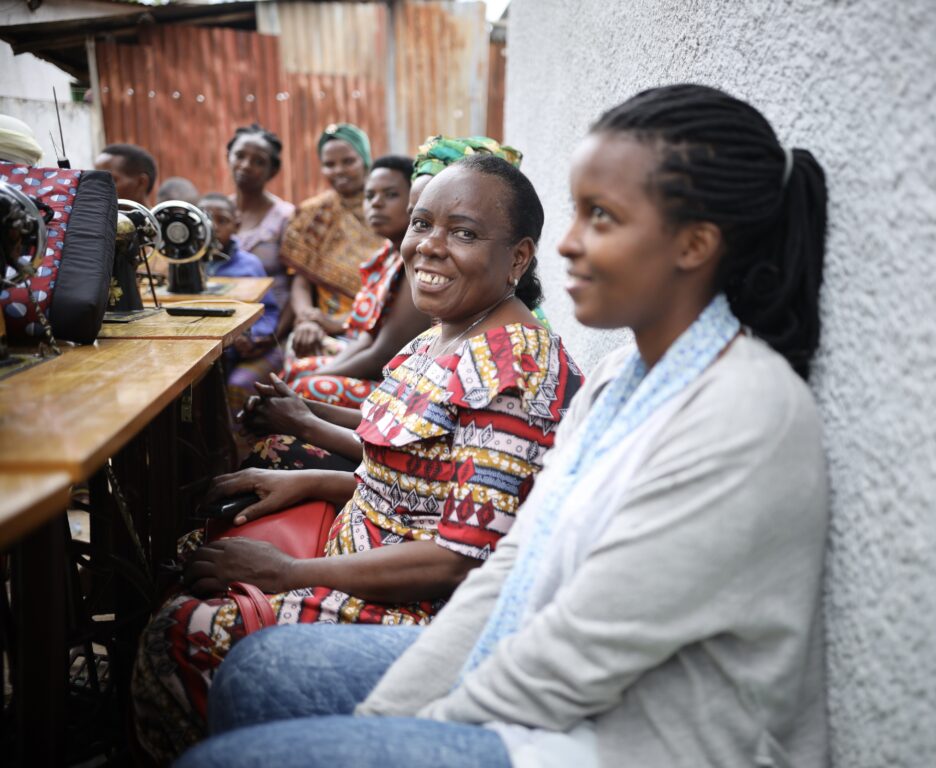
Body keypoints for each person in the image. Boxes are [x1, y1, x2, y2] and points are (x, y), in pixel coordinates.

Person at [178, 83, 831, 768]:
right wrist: (389, 718)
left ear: (695, 243)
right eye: (576, 214)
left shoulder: (744, 413)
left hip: (624, 740)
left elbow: (576, 655)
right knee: (257, 675)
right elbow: (511, 569)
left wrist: (399, 735)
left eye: (602, 218)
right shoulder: (620, 380)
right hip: (534, 666)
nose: (569, 246)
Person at [132, 155, 584, 763]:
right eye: (422, 224)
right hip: (360, 550)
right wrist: (312, 482)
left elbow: (455, 562)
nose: (429, 246)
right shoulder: (444, 332)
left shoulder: (511, 374)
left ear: (520, 258)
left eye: (465, 233)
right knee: (189, 551)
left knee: (179, 636)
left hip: (414, 611)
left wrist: (285, 575)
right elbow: (414, 482)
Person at [280, 155, 430, 409]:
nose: (376, 204)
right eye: (369, 196)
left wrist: (317, 378)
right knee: (297, 373)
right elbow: (367, 338)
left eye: (391, 195)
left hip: (400, 386)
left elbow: (382, 355)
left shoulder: (415, 263)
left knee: (302, 387)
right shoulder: (387, 254)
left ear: (414, 202)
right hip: (371, 360)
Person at [280, 123, 383, 358]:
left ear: (365, 160)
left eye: (348, 161)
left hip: (378, 326)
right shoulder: (314, 214)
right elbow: (301, 282)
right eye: (329, 164)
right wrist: (308, 319)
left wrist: (341, 323)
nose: (339, 171)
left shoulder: (387, 210)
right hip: (322, 326)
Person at [198, 193, 282, 414]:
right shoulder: (184, 265)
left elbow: (269, 310)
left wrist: (253, 336)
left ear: (236, 226)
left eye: (222, 221)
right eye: (205, 221)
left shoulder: (249, 265)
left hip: (237, 350)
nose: (213, 227)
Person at [226, 124, 295, 321]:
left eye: (258, 162)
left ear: (272, 171)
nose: (246, 165)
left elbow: (298, 285)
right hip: (222, 326)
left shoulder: (285, 217)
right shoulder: (216, 215)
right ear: (228, 157)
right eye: (240, 156)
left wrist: (272, 338)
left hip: (271, 327)